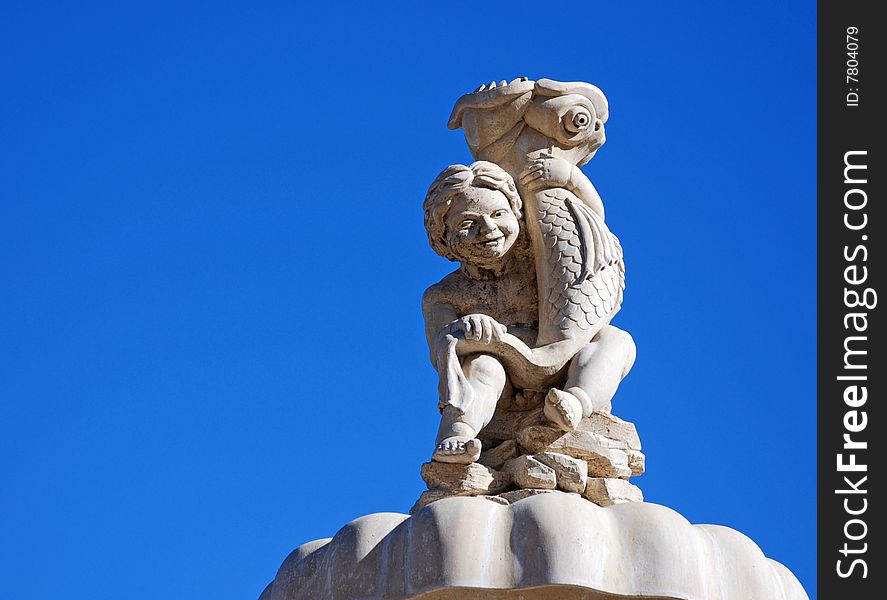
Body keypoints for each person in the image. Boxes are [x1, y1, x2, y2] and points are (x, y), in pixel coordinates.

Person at [422, 161, 635, 464]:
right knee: (483, 366)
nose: (488, 229)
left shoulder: (542, 261)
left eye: (498, 214)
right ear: (442, 237)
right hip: (506, 381)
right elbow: (440, 347)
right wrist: (465, 330)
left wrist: (569, 177)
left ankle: (575, 403)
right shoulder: (443, 295)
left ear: (516, 212)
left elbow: (589, 223)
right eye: (468, 223)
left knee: (616, 340)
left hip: (561, 372)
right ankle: (459, 432)